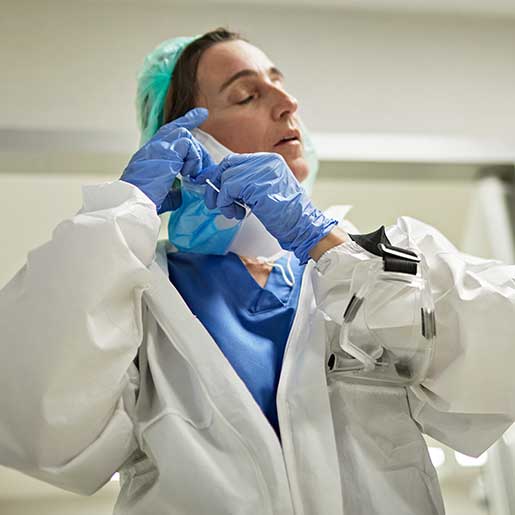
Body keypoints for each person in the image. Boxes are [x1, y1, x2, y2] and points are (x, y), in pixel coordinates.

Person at [0, 27, 514, 515]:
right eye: (247, 95)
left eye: (281, 85)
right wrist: (119, 213)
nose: (288, 104)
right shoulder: (132, 293)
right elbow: (38, 425)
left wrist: (330, 246)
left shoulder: (390, 260)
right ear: (186, 143)